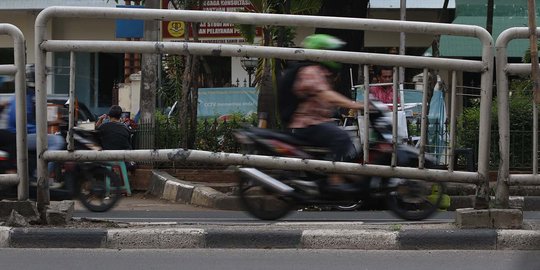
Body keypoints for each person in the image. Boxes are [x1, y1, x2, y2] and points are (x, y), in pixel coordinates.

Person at [278, 34, 365, 191]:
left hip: (314, 122)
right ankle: (335, 180)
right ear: (320, 51)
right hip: (307, 124)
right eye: (329, 51)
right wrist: (355, 104)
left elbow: (321, 100)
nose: (334, 56)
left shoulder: (318, 71)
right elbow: (325, 94)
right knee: (341, 137)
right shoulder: (310, 71)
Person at [5, 64, 66, 186]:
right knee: (57, 141)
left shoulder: (29, 94)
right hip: (20, 135)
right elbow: (21, 122)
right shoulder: (25, 96)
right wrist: (42, 130)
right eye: (43, 76)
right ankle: (40, 175)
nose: (45, 79)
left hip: (24, 133)